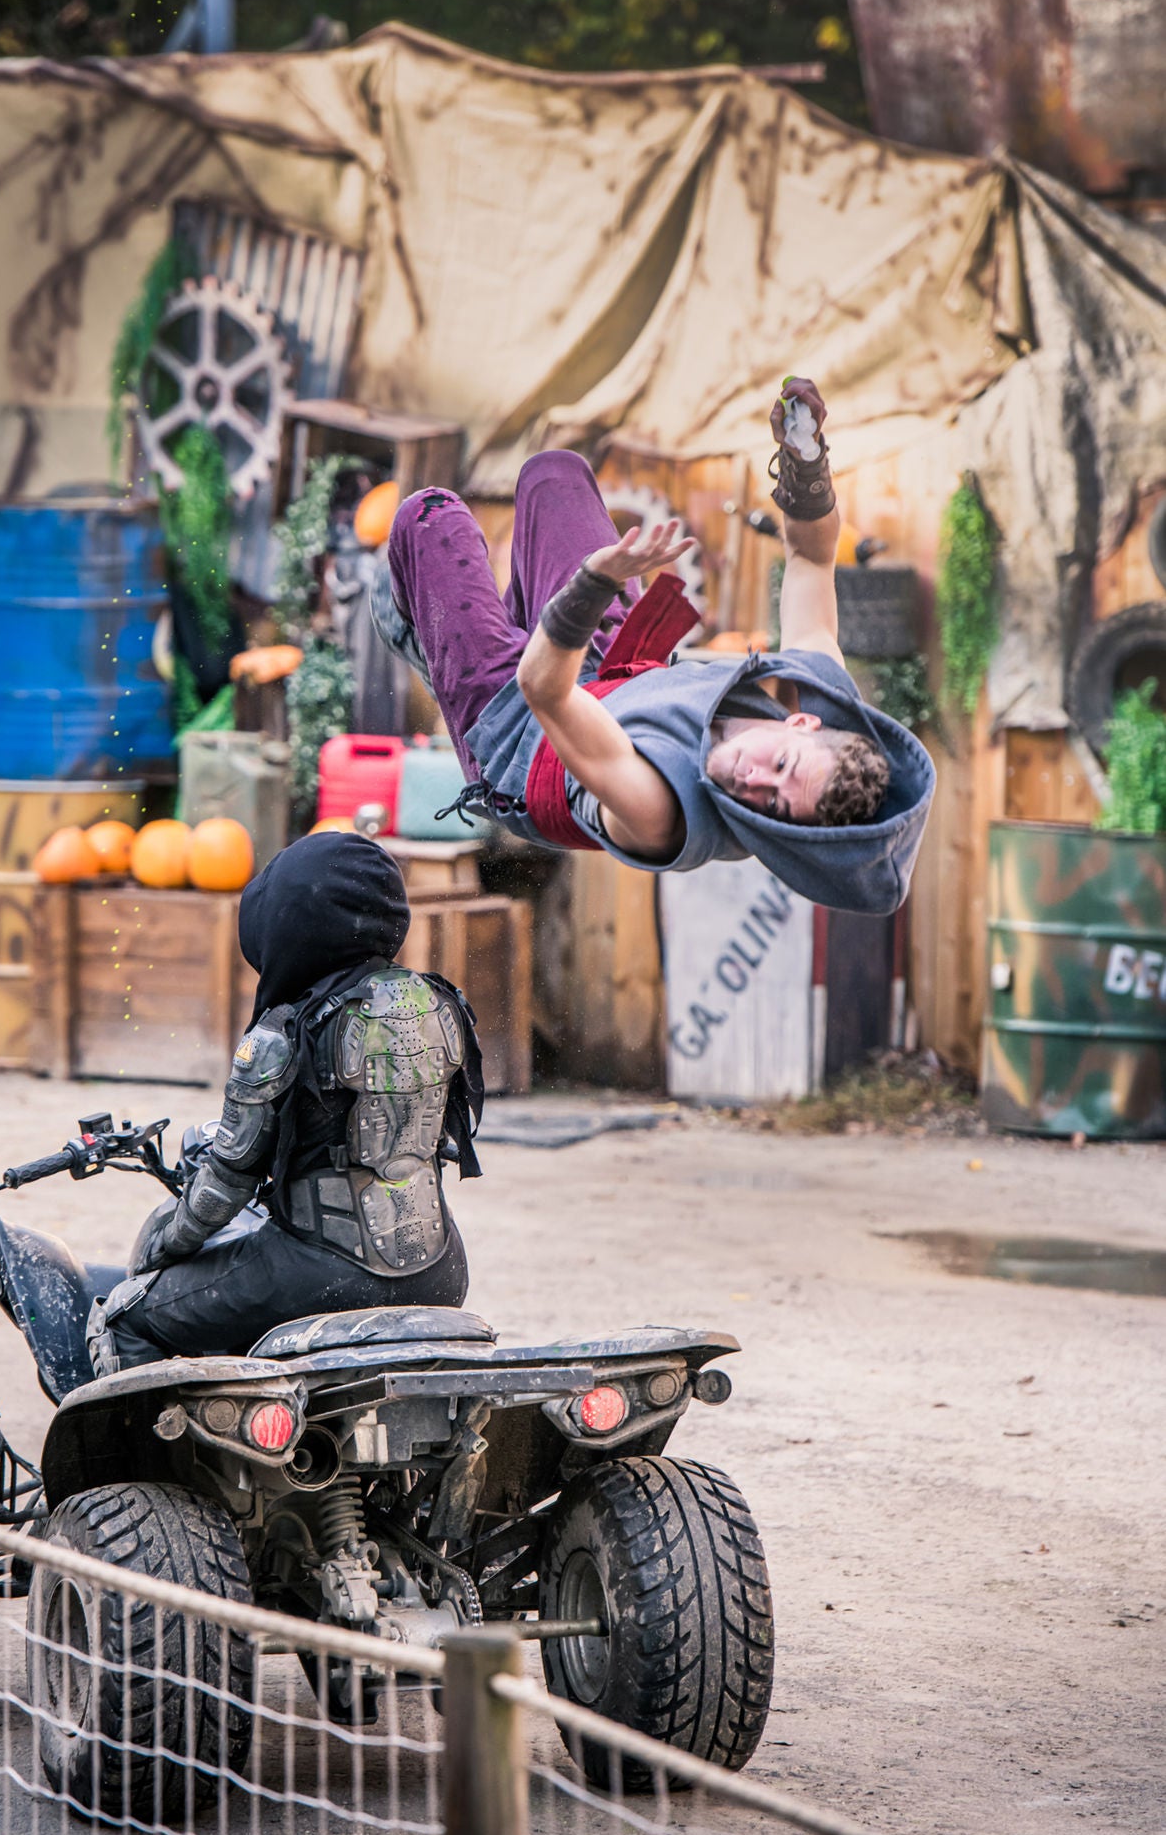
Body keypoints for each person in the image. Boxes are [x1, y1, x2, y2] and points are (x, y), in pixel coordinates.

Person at [374, 378, 934, 916]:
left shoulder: (667, 815)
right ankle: (479, 627)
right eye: (781, 764)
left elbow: (544, 689)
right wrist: (806, 463)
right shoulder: (822, 697)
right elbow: (811, 560)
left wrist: (591, 585)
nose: (755, 783)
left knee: (430, 516)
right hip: (613, 667)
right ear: (802, 726)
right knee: (555, 473)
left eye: (777, 807)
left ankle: (416, 627)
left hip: (524, 735)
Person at [88, 833, 484, 1375]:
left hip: (317, 1273)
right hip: (441, 1268)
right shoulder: (440, 1004)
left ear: (292, 924)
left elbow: (228, 1184)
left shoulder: (281, 1035)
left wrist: (164, 1245)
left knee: (124, 1317)